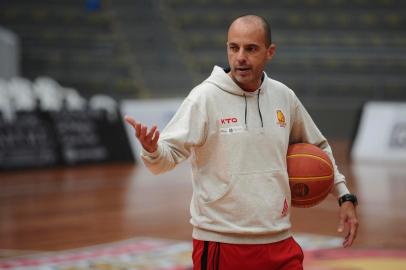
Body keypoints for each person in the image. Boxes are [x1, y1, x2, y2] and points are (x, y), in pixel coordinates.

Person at [125, 14, 358, 270]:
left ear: (270, 52)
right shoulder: (204, 98)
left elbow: (319, 148)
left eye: (251, 48)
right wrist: (152, 149)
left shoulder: (284, 97)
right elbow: (163, 160)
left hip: (279, 242)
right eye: (233, 48)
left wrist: (344, 195)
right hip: (222, 245)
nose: (240, 57)